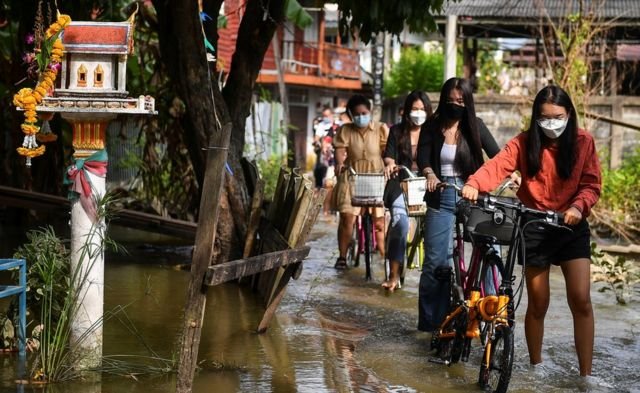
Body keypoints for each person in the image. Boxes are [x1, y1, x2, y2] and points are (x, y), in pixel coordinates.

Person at [461, 85, 601, 377]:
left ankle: (586, 375)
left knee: (581, 298)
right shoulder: (524, 143)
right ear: (536, 118)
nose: (552, 124)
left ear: (569, 115)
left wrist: (577, 208)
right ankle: (536, 367)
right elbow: (497, 166)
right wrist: (474, 184)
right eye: (545, 118)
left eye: (558, 117)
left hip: (571, 224)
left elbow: (591, 184)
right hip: (534, 225)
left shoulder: (584, 142)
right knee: (538, 302)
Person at [416, 77, 500, 332]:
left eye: (460, 101)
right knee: (435, 263)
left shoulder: (476, 126)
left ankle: (493, 314)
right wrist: (430, 174)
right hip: (441, 195)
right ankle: (434, 325)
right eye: (450, 100)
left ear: (468, 102)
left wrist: (514, 175)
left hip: (472, 194)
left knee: (490, 249)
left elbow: (498, 157)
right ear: (443, 101)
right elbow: (422, 156)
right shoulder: (432, 126)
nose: (455, 105)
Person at [382, 90, 433, 291]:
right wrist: (390, 165)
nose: (418, 113)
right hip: (401, 185)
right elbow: (389, 156)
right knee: (400, 223)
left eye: (422, 109)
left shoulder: (433, 133)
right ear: (407, 111)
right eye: (415, 109)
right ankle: (393, 275)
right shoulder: (396, 131)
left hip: (427, 186)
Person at [333, 94, 389, 269]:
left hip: (376, 178)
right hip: (352, 177)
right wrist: (340, 163)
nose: (361, 116)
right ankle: (342, 256)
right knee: (347, 217)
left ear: (370, 112)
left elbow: (387, 151)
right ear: (351, 115)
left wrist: (390, 164)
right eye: (356, 114)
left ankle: (384, 254)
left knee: (379, 220)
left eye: (364, 112)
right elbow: (340, 151)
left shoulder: (381, 129)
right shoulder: (345, 130)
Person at [313, 107, 337, 190]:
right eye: (324, 116)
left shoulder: (337, 125)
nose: (325, 117)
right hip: (325, 152)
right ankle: (319, 187)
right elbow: (317, 137)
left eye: (327, 115)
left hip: (336, 152)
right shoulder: (321, 125)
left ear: (332, 115)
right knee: (321, 169)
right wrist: (319, 143)